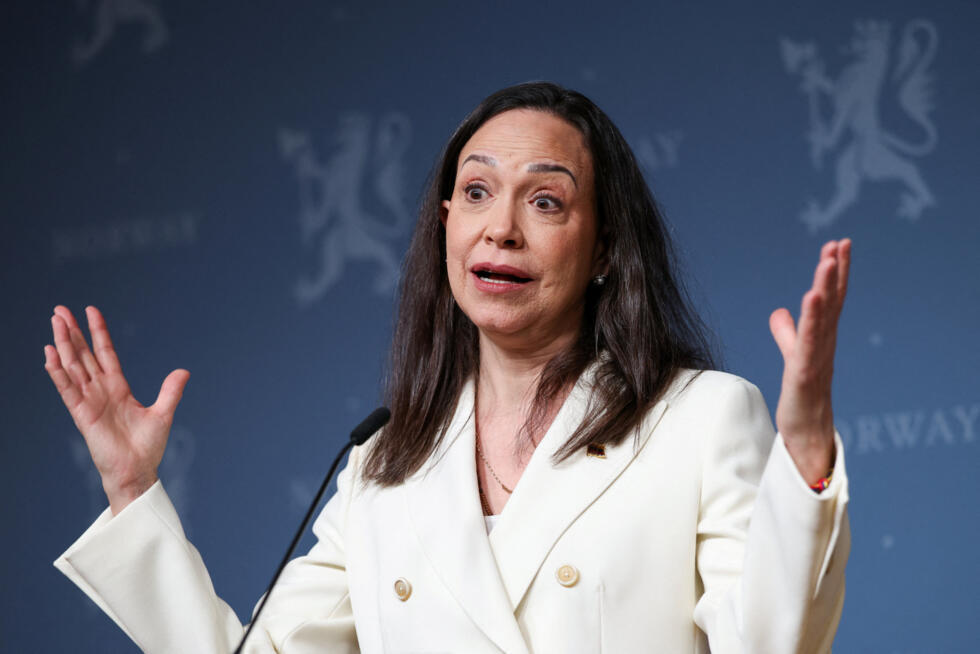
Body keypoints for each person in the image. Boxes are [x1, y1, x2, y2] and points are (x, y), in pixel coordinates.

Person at [47, 82, 851, 653]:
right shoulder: (383, 465)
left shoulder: (700, 417)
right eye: (475, 193)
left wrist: (806, 450)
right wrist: (131, 492)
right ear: (444, 224)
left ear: (605, 244)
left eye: (545, 202)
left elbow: (775, 644)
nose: (499, 229)